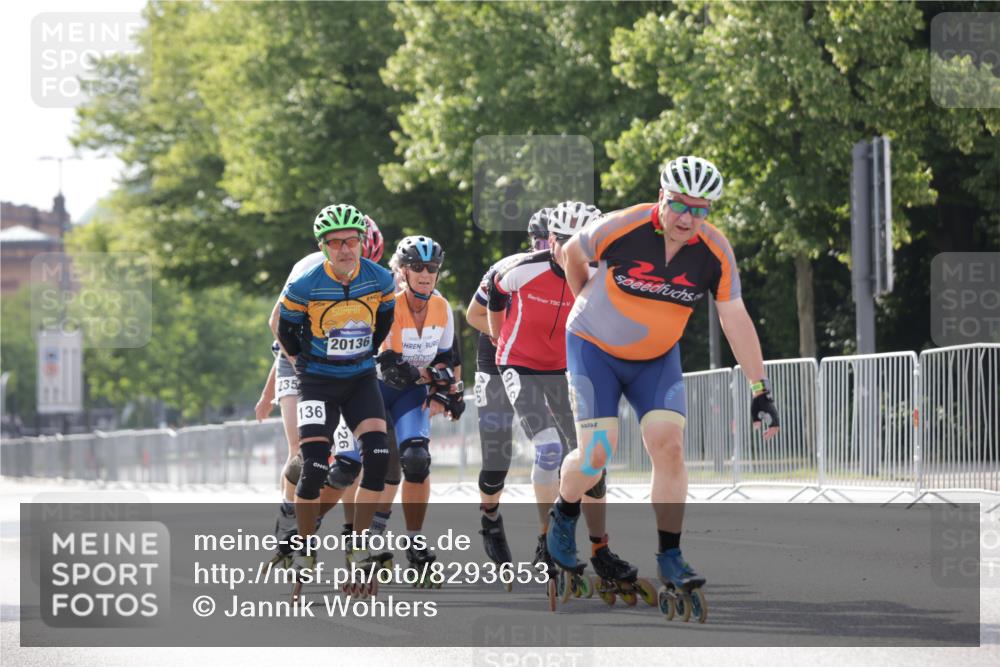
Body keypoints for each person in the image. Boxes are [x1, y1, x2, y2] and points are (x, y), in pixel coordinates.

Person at [546, 156, 781, 620]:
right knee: (597, 453)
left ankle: (670, 553)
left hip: (657, 359)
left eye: (700, 209)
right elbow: (573, 252)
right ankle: (564, 509)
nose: (687, 218)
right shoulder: (625, 225)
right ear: (661, 198)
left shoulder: (714, 251)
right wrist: (585, 298)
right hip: (595, 348)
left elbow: (734, 317)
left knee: (669, 446)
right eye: (679, 206)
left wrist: (760, 388)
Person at [485, 201, 615, 587]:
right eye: (560, 240)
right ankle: (545, 539)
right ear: (550, 240)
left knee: (591, 459)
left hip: (564, 369)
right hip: (519, 365)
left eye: (579, 240)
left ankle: (599, 547)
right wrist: (498, 339)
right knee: (549, 449)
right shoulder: (522, 267)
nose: (567, 248)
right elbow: (493, 295)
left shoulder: (599, 274)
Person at [274, 204, 396, 585]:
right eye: (335, 243)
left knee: (376, 456)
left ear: (362, 242)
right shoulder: (304, 284)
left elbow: (384, 323)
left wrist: (363, 355)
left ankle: (359, 545)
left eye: (351, 241)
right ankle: (305, 549)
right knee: (313, 468)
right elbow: (284, 327)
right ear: (323, 247)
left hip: (360, 379)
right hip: (319, 383)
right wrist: (300, 360)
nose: (345, 249)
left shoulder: (380, 278)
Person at [372, 235, 463, 581]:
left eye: (432, 268)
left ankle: (414, 540)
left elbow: (448, 360)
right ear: (402, 271)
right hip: (379, 393)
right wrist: (434, 377)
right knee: (362, 469)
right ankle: (306, 530)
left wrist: (451, 391)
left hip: (411, 395)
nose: (426, 274)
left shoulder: (442, 308)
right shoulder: (389, 306)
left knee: (416, 461)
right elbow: (393, 367)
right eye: (417, 267)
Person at [464, 207, 548, 568]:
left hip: (544, 358)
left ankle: (550, 536)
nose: (549, 247)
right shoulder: (511, 268)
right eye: (542, 240)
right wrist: (506, 340)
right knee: (498, 455)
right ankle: (491, 518)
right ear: (533, 242)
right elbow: (472, 315)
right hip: (498, 355)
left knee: (555, 445)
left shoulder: (575, 268)